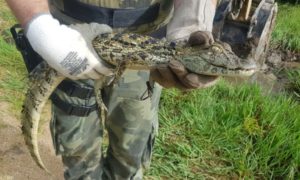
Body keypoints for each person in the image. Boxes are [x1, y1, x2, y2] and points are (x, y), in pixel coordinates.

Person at [6, 0, 219, 179]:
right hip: (67, 40)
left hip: (150, 46)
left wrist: (192, 21)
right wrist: (40, 27)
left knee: (130, 153)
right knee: (77, 154)